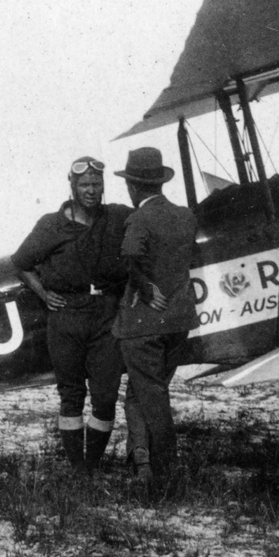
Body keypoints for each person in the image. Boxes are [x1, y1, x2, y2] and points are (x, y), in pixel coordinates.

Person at [12, 156, 132, 469]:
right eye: (85, 185)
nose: (91, 190)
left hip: (106, 316)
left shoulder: (117, 217)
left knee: (105, 397)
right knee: (71, 396)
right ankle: (79, 471)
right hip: (66, 316)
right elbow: (21, 263)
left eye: (96, 184)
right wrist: (43, 293)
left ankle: (91, 463)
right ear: (72, 185)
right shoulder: (51, 224)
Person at [112, 146, 198, 482]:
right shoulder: (186, 216)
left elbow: (129, 256)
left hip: (142, 326)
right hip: (178, 322)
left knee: (151, 397)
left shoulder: (139, 218)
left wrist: (144, 286)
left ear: (133, 187)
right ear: (160, 182)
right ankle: (141, 460)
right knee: (143, 389)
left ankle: (166, 473)